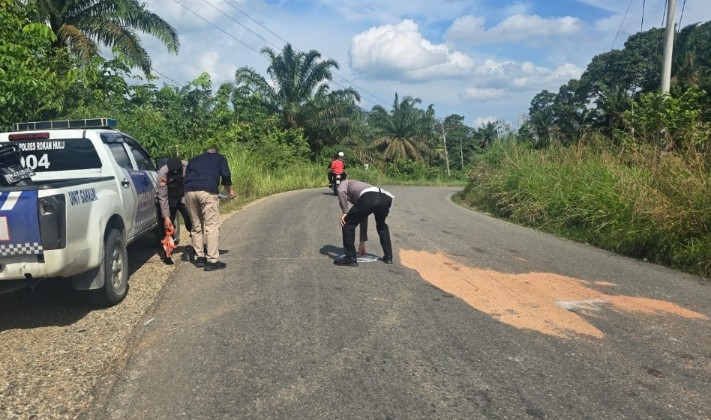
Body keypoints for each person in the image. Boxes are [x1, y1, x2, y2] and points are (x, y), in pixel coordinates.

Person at [183, 147, 236, 271]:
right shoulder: (219, 158)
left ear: (205, 152)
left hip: (189, 191)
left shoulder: (194, 159)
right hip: (207, 191)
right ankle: (212, 261)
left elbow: (187, 175)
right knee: (212, 225)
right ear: (215, 152)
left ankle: (199, 257)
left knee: (196, 226)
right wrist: (229, 191)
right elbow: (226, 175)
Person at [334, 179, 394, 267]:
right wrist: (362, 243)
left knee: (347, 223)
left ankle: (350, 258)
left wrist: (344, 212)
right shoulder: (361, 187)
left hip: (371, 196)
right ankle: (388, 257)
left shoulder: (345, 182)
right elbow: (363, 217)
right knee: (382, 226)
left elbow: (340, 191)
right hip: (386, 198)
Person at [157, 157, 194, 263]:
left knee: (191, 221)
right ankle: (167, 253)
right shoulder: (162, 173)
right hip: (169, 198)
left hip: (184, 196)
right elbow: (162, 196)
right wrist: (166, 217)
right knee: (167, 227)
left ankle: (198, 246)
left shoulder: (187, 167)